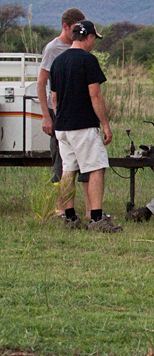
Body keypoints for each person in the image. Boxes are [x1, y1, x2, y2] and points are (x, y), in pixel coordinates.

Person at [50, 20, 121, 233]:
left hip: (62, 126)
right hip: (83, 125)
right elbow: (95, 94)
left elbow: (54, 97)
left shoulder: (58, 62)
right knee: (96, 168)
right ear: (89, 36)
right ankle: (96, 218)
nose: (93, 44)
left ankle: (69, 217)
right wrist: (106, 125)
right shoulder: (88, 60)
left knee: (68, 170)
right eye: (94, 39)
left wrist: (59, 118)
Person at [36, 8, 92, 197]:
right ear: (65, 27)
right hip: (57, 111)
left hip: (77, 109)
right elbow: (42, 82)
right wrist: (46, 116)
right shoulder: (53, 49)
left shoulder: (80, 46)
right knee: (61, 161)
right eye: (74, 29)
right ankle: (59, 204)